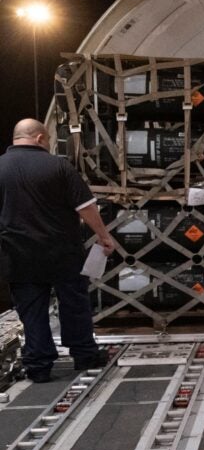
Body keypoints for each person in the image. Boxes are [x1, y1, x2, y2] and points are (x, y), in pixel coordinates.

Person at [0, 119, 117, 383]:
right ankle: (84, 354)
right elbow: (85, 206)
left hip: (18, 254)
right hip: (62, 250)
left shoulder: (0, 167)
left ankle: (39, 365)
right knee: (74, 302)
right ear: (41, 138)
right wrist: (104, 236)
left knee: (32, 310)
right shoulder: (58, 166)